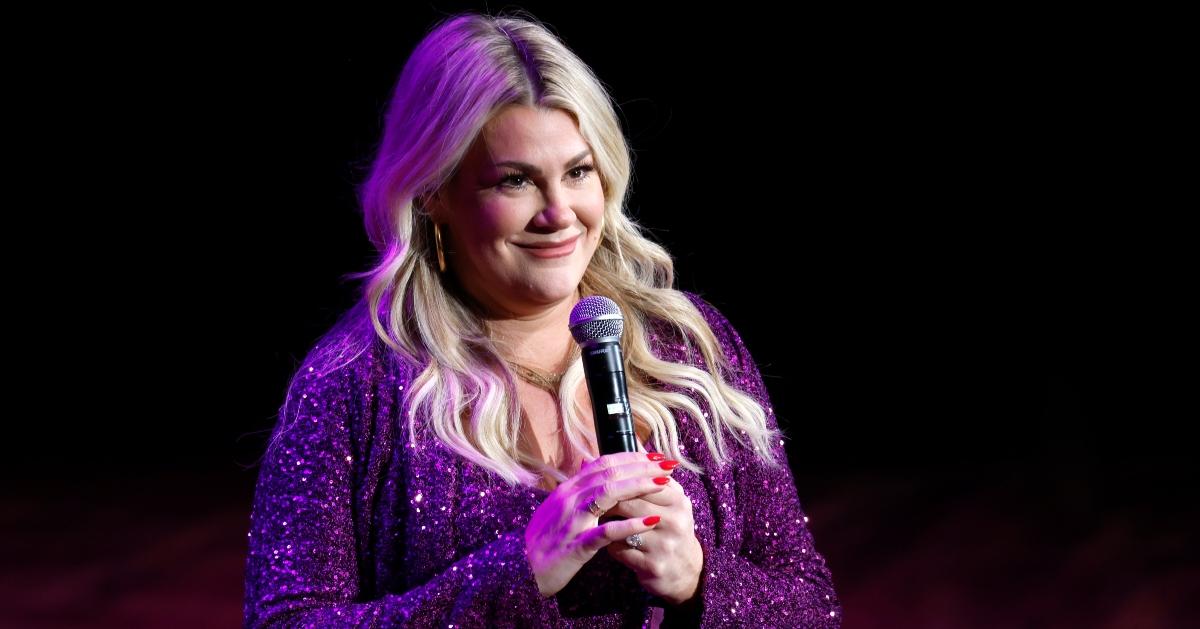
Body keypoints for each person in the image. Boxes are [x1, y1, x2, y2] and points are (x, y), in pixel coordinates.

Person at [243, 11, 840, 627]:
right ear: (432, 193)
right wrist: (517, 575)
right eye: (516, 181)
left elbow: (813, 608)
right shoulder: (352, 384)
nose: (559, 212)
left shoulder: (692, 348)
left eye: (578, 172)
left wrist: (700, 581)